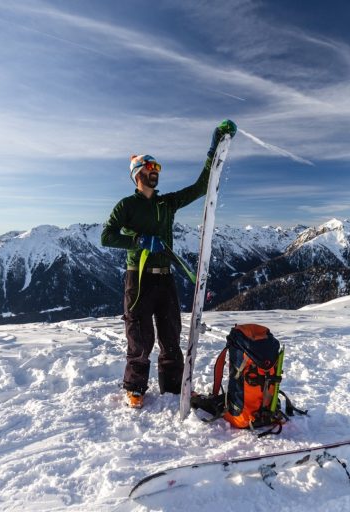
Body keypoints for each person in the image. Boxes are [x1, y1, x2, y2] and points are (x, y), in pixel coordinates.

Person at [100, 119, 237, 408]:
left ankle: (173, 386)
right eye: (150, 168)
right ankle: (135, 388)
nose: (155, 173)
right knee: (140, 336)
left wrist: (214, 149)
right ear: (138, 174)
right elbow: (107, 237)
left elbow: (201, 187)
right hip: (137, 278)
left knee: (171, 335)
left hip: (165, 278)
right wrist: (138, 241)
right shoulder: (127, 206)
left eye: (158, 168)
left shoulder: (167, 204)